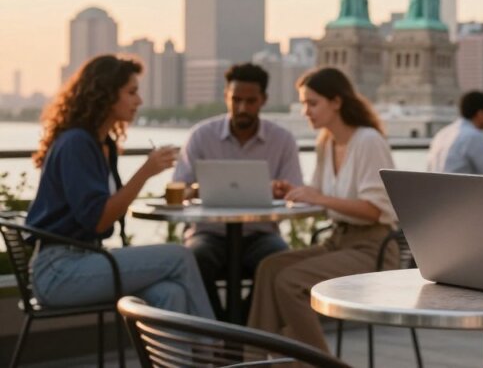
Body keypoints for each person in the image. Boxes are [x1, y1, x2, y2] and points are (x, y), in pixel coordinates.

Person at [26, 55, 213, 318]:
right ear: (105, 94)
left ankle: (179, 359)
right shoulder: (76, 144)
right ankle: (215, 351)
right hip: (59, 271)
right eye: (131, 92)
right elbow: (99, 220)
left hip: (87, 259)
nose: (139, 101)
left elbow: (109, 209)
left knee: (170, 293)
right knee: (180, 256)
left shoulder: (104, 145)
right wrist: (145, 172)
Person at [248, 67, 397, 351]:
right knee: (269, 268)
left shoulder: (368, 141)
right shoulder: (326, 143)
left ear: (337, 102)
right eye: (304, 103)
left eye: (312, 103)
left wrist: (320, 199)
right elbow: (318, 195)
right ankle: (260, 359)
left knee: (290, 282)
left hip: (373, 249)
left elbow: (374, 211)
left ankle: (321, 363)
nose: (306, 111)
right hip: (337, 242)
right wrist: (291, 191)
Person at [173, 63, 303, 320]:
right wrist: (197, 189)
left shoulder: (283, 140)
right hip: (208, 233)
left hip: (261, 235)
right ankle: (220, 328)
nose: (242, 108)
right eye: (236, 100)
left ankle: (240, 328)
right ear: (226, 97)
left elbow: (295, 194)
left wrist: (281, 190)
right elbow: (180, 188)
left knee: (281, 263)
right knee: (192, 260)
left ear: (263, 100)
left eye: (250, 101)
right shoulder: (200, 136)